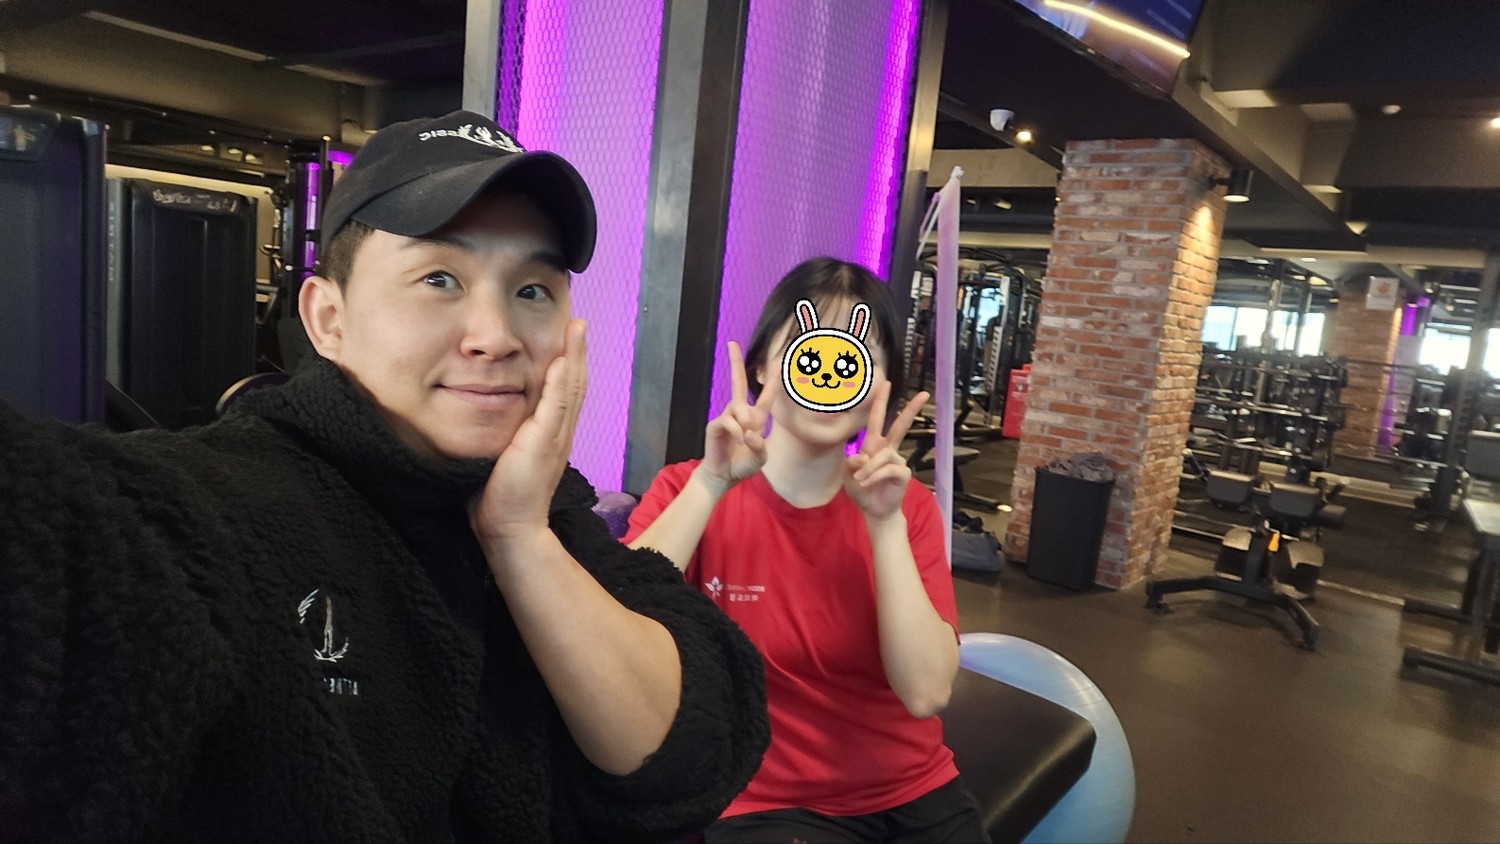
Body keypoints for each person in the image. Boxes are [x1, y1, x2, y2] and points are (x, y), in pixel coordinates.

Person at [0, 110, 769, 842]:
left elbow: (688, 757)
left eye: (531, 291)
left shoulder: (557, 520)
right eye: (439, 279)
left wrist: (518, 538)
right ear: (328, 320)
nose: (495, 336)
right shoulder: (214, 510)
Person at [624, 258, 988, 843]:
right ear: (763, 365)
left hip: (914, 792)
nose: (829, 375)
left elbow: (926, 693)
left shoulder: (908, 508)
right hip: (763, 804)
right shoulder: (684, 490)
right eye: (808, 350)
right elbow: (615, 631)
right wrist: (712, 483)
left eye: (856, 357)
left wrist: (885, 525)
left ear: (882, 385)